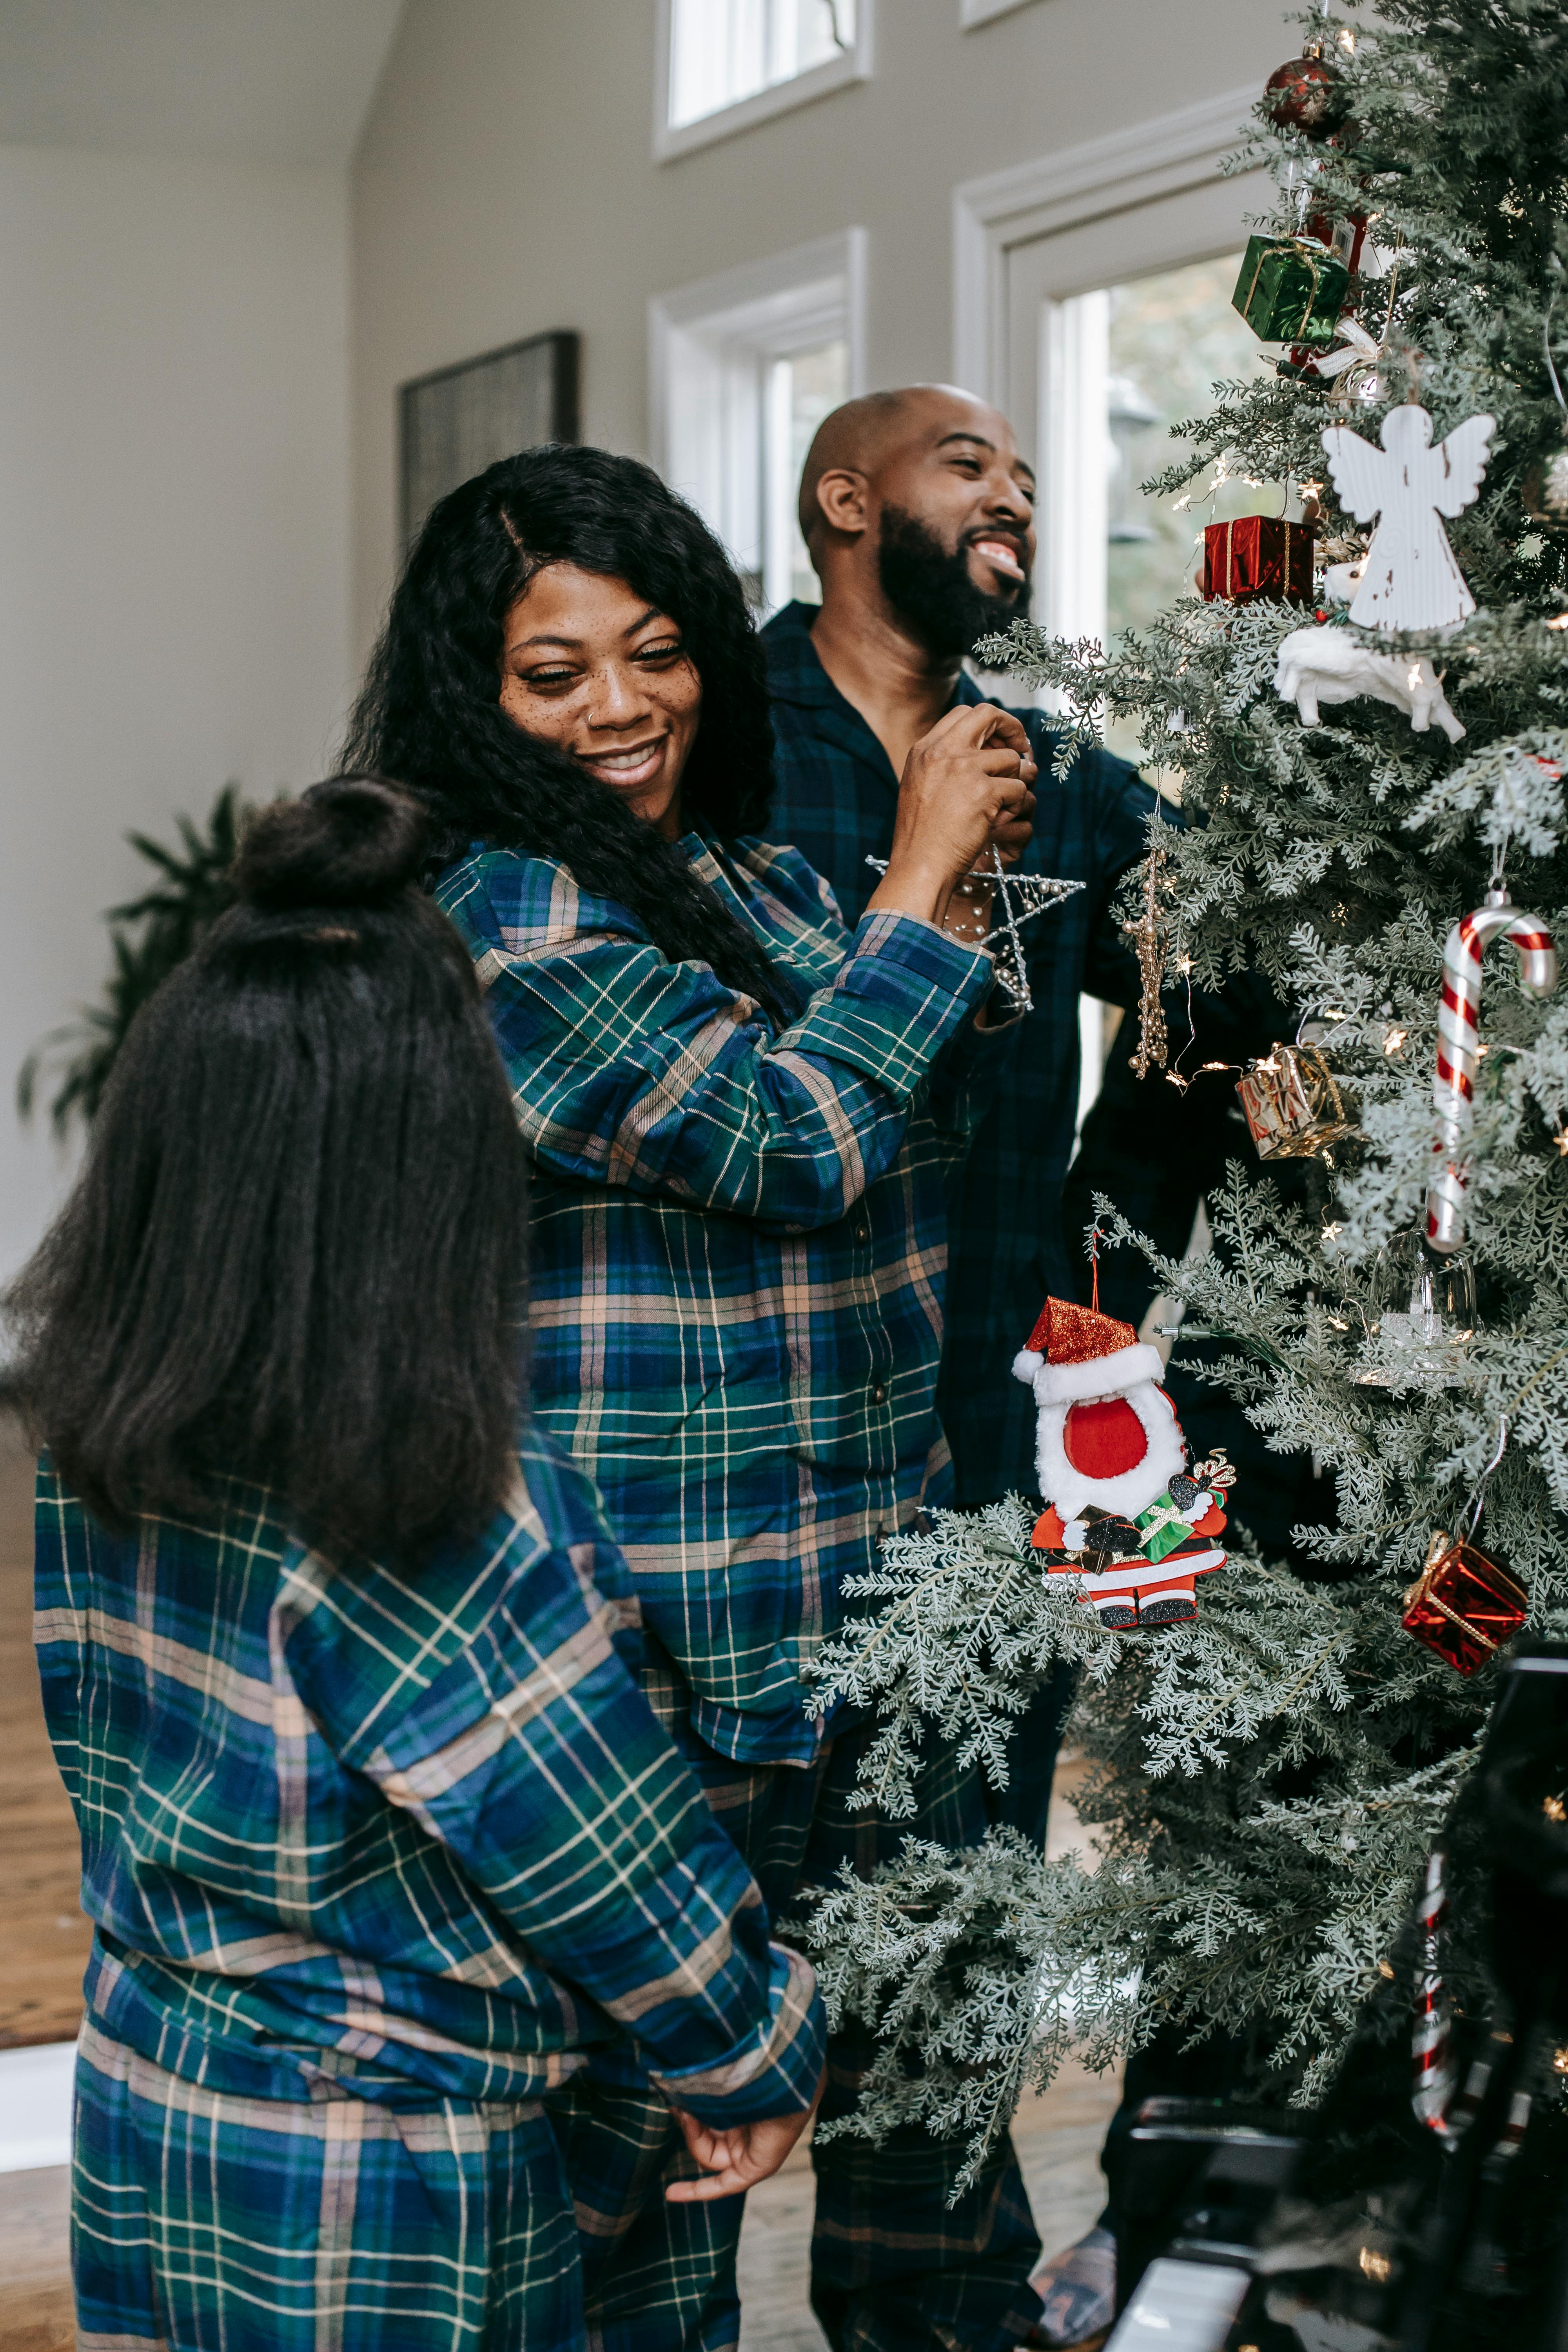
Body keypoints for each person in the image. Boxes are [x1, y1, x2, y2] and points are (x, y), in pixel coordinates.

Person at [343, 445, 1047, 2350]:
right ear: (467, 698)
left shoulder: (726, 870)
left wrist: (938, 908)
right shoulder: (501, 921)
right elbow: (796, 1131)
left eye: (653, 653)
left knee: (918, 2141)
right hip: (657, 1664)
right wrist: (920, 869)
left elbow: (934, 1082)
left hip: (861, 1629)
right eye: (551, 674)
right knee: (646, 2214)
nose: (619, 708)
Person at [11, 779, 825, 2352]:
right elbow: (604, 1853)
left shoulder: (98, 1411)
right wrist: (749, 2050)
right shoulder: (426, 1502)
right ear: (428, 1149)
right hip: (379, 2168)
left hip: (157, 2095)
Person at [762, 384, 1287, 2348]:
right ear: (843, 500)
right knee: (705, 1970)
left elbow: (1216, 1000)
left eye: (1031, 480)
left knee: (949, 1968)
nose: (1015, 496)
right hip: (736, 1459)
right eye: (967, 465)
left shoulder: (1058, 781)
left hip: (975, 1474)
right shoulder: (712, 749)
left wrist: (1086, 1249)